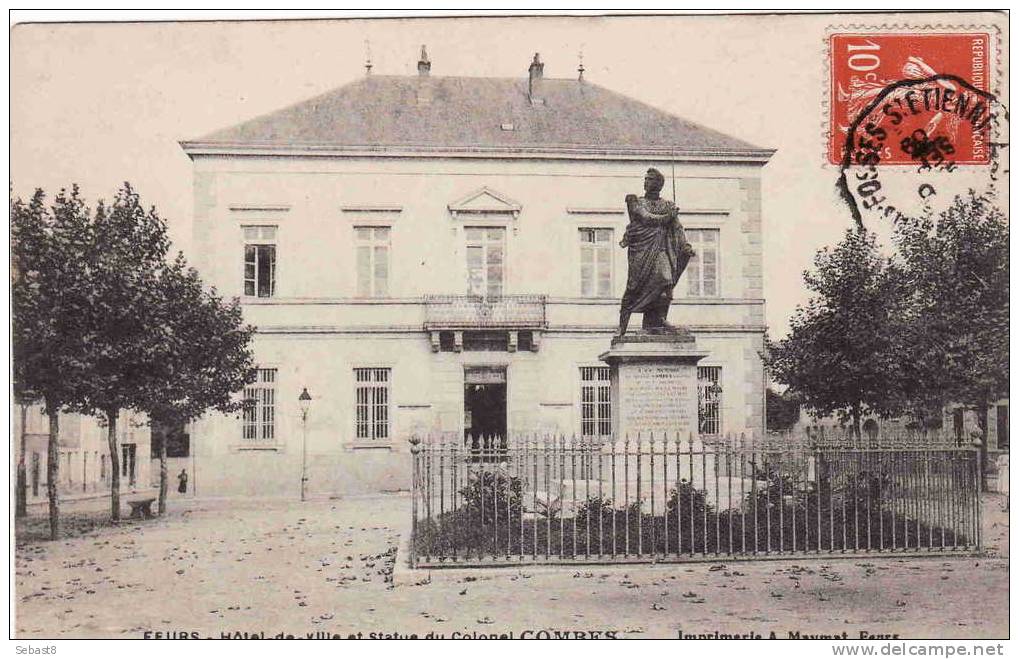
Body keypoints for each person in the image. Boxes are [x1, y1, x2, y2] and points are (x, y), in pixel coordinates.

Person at [617, 168, 695, 336]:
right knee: (633, 287)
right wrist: (669, 216)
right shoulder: (636, 201)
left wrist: (685, 245)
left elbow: (677, 228)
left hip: (660, 249)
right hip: (641, 251)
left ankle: (658, 320)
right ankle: (622, 326)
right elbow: (646, 218)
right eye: (645, 179)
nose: (646, 182)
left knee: (665, 280)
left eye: (650, 179)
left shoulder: (667, 205)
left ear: (659, 184)